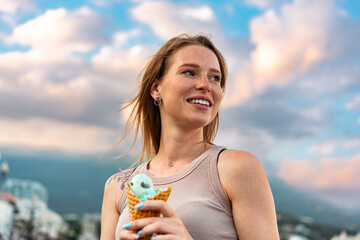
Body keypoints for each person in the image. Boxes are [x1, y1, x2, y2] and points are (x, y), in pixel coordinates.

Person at [101, 34, 280, 240]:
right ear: (155, 88)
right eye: (189, 72)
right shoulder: (117, 186)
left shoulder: (238, 168)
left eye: (215, 78)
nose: (206, 85)